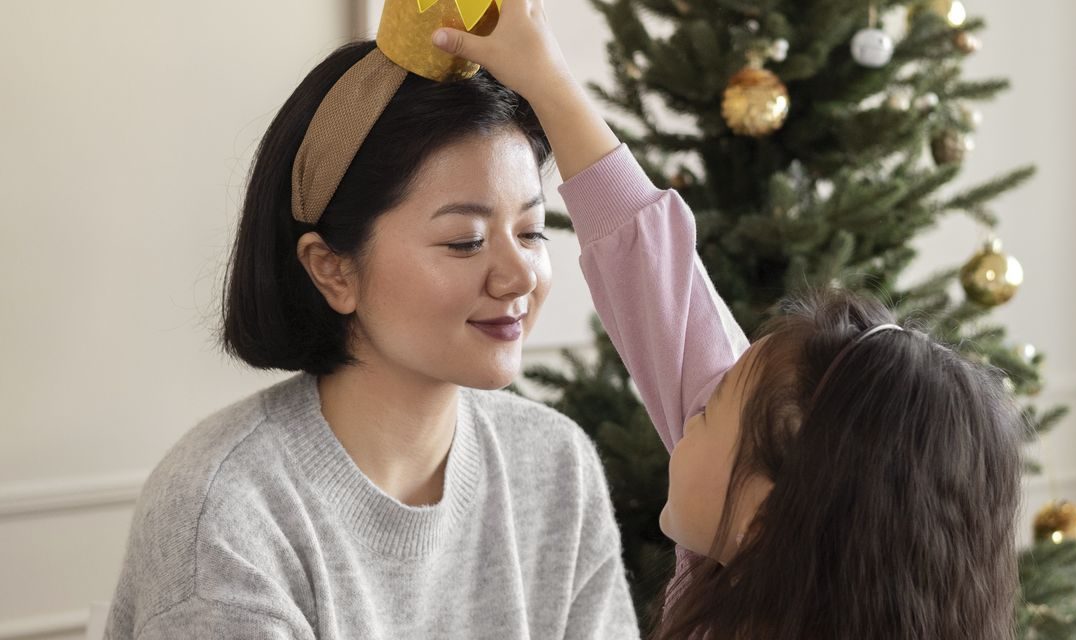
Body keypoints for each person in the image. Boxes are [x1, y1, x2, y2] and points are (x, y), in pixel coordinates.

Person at [433, 1, 1025, 637]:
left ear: (765, 519)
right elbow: (658, 283)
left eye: (709, 412)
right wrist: (545, 79)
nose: (689, 414)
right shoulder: (756, 539)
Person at [104, 39, 638, 639]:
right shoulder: (224, 512)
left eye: (533, 231)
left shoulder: (556, 462)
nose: (519, 276)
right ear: (332, 269)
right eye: (465, 240)